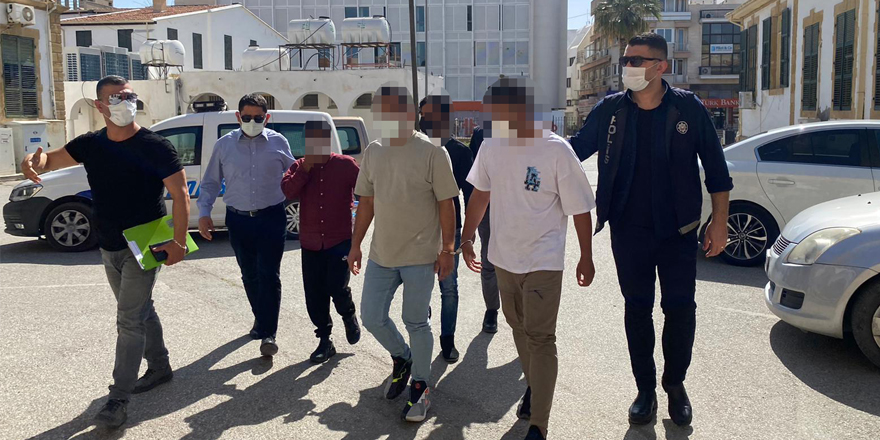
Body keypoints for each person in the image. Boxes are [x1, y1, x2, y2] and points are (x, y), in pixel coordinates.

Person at [569, 32, 733, 427]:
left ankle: (674, 384)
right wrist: (527, 148)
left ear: (661, 67)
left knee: (680, 308)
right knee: (637, 309)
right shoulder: (610, 110)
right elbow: (572, 152)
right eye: (625, 60)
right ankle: (645, 390)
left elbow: (716, 170)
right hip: (629, 230)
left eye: (636, 60)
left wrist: (720, 223)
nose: (627, 67)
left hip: (679, 230)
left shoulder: (687, 108)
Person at [19, 75, 189, 429]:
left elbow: (180, 194)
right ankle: (160, 366)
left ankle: (118, 400)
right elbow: (49, 160)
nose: (125, 102)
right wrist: (32, 161)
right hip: (108, 241)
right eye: (116, 97)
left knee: (128, 319)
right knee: (141, 310)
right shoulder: (91, 144)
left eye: (129, 96)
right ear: (99, 106)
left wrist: (177, 242)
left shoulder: (155, 146)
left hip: (146, 241)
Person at [460, 77, 597, 440]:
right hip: (503, 258)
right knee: (518, 328)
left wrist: (586, 256)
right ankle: (535, 385)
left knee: (541, 337)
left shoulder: (556, 150)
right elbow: (480, 195)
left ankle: (539, 424)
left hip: (543, 261)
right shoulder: (491, 146)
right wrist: (467, 236)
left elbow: (581, 208)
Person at [348, 84, 459, 423]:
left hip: (420, 256)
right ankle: (403, 357)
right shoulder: (374, 152)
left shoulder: (433, 152)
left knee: (416, 321)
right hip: (382, 254)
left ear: (410, 113)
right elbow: (366, 202)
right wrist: (355, 244)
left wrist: (448, 250)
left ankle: (421, 388)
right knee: (371, 317)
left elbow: (447, 204)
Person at [197, 94, 295, 357]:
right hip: (238, 220)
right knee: (249, 275)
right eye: (247, 117)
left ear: (267, 118)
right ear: (238, 117)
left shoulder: (279, 142)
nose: (252, 122)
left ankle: (269, 333)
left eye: (258, 118)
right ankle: (261, 319)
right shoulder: (224, 145)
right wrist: (204, 213)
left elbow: (295, 175)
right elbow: (210, 183)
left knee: (269, 274)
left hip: (271, 217)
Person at [280, 119, 361, 364]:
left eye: (321, 141)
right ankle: (325, 340)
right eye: (311, 142)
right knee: (314, 295)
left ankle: (348, 315)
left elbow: (366, 192)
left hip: (339, 240)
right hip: (311, 242)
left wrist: (358, 226)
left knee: (337, 286)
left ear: (328, 141)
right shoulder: (299, 166)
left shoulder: (346, 165)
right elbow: (288, 191)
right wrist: (306, 168)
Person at [419, 93, 474, 363]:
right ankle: (421, 330)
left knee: (448, 288)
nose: (425, 120)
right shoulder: (413, 149)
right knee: (418, 286)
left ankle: (447, 340)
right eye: (422, 115)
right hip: (417, 231)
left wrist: (468, 237)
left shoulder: (460, 152)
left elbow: (471, 196)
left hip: (449, 232)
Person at [468, 125, 500, 334]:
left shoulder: (524, 131)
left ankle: (524, 311)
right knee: (488, 260)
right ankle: (491, 310)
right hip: (486, 209)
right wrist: (469, 229)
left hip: (515, 208)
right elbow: (474, 178)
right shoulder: (481, 134)